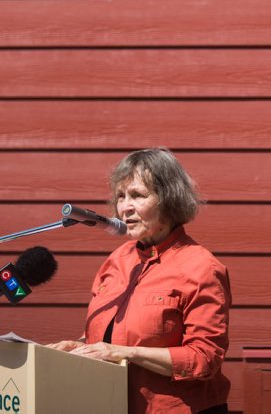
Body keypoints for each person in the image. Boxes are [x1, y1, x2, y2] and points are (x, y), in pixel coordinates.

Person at [49, 147, 231, 414]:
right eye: (121, 196)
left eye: (137, 195)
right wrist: (81, 346)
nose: (125, 207)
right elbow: (110, 336)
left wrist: (124, 352)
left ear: (169, 200)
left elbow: (205, 359)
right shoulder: (117, 260)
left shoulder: (201, 267)